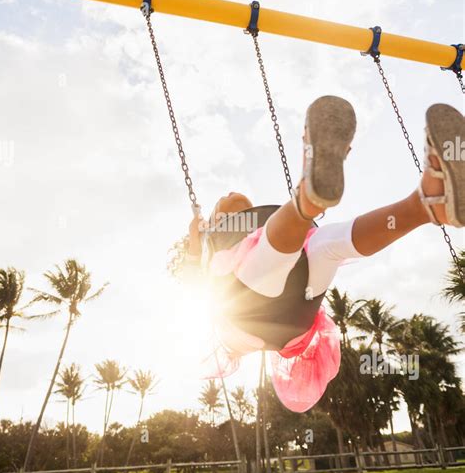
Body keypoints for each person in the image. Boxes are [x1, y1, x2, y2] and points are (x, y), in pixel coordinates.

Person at [168, 96, 464, 412]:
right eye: (221, 204)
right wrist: (194, 241)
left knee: (325, 245)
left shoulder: (266, 234)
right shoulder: (209, 255)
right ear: (215, 223)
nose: (228, 195)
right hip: (243, 318)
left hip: (296, 315)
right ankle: (308, 196)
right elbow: (192, 284)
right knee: (277, 253)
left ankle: (426, 204)